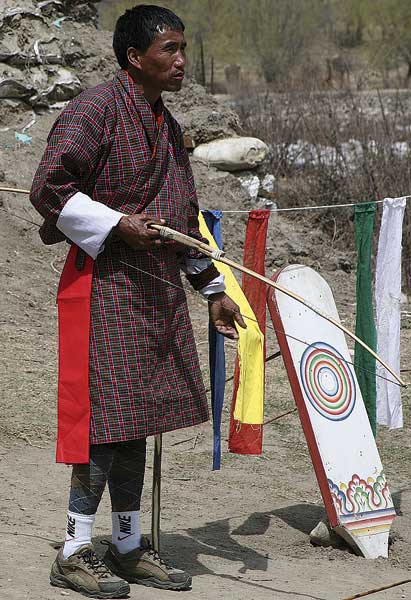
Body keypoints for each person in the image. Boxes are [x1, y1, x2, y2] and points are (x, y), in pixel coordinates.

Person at [30, 5, 245, 598]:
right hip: (103, 287)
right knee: (105, 425)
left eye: (182, 48)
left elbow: (180, 219)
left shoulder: (168, 128)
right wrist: (119, 225)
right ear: (135, 57)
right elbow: (47, 189)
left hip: (154, 294)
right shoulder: (92, 112)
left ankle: (125, 546)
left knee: (138, 423)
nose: (180, 61)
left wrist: (211, 289)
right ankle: (74, 551)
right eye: (169, 50)